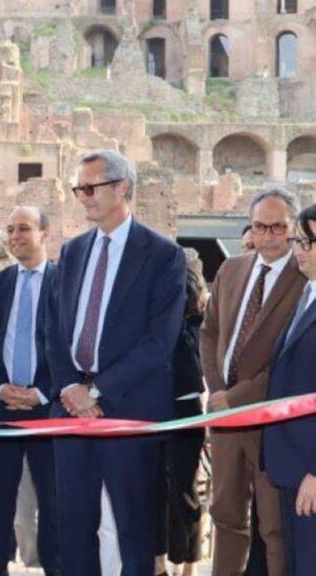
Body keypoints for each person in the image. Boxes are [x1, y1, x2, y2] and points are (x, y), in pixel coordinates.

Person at [45, 149, 186, 576]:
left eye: (91, 187)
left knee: (134, 532)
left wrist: (97, 390)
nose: (83, 197)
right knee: (71, 528)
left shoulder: (162, 255)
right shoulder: (72, 252)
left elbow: (159, 341)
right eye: (78, 189)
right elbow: (55, 330)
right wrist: (70, 387)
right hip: (70, 410)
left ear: (122, 187)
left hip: (129, 408)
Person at [201, 187, 306, 576]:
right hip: (226, 420)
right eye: (260, 226)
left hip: (271, 423)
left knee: (274, 526)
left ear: (292, 228)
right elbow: (209, 334)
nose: (269, 235)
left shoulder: (304, 280)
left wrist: (238, 397)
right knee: (225, 516)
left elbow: (289, 359)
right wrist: (217, 393)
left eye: (278, 226)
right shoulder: (233, 268)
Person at [0, 206, 60, 576]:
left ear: (44, 233)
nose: (15, 236)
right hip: (3, 406)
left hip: (48, 407)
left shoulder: (64, 282)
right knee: (0, 492)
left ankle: (56, 565)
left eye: (23, 228)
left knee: (52, 494)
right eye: (9, 229)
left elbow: (68, 344)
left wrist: (42, 392)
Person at [262, 203, 316, 576]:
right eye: (299, 239)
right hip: (290, 463)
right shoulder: (307, 293)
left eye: (307, 241)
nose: (298, 248)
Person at [155, 252, 208, 576]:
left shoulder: (196, 315)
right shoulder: (156, 311)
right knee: (156, 488)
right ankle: (158, 560)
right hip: (153, 407)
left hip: (185, 407)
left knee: (184, 491)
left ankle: (188, 563)